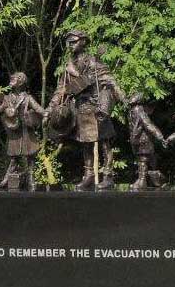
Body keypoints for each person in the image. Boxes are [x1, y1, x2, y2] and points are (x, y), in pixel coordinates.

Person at [44, 30, 124, 190]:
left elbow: (110, 81)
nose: (70, 45)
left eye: (73, 41)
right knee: (85, 144)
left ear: (83, 42)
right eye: (68, 42)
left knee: (105, 143)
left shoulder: (94, 63)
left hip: (98, 109)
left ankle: (108, 176)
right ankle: (89, 176)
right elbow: (61, 91)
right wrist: (49, 109)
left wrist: (123, 98)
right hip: (81, 109)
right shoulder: (68, 67)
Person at [0, 72, 45, 190]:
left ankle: (31, 179)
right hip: (14, 132)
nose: (12, 80)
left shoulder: (28, 98)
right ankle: (6, 180)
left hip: (26, 131)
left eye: (15, 79)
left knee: (30, 157)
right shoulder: (7, 99)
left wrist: (48, 113)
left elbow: (40, 110)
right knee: (14, 158)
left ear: (21, 82)